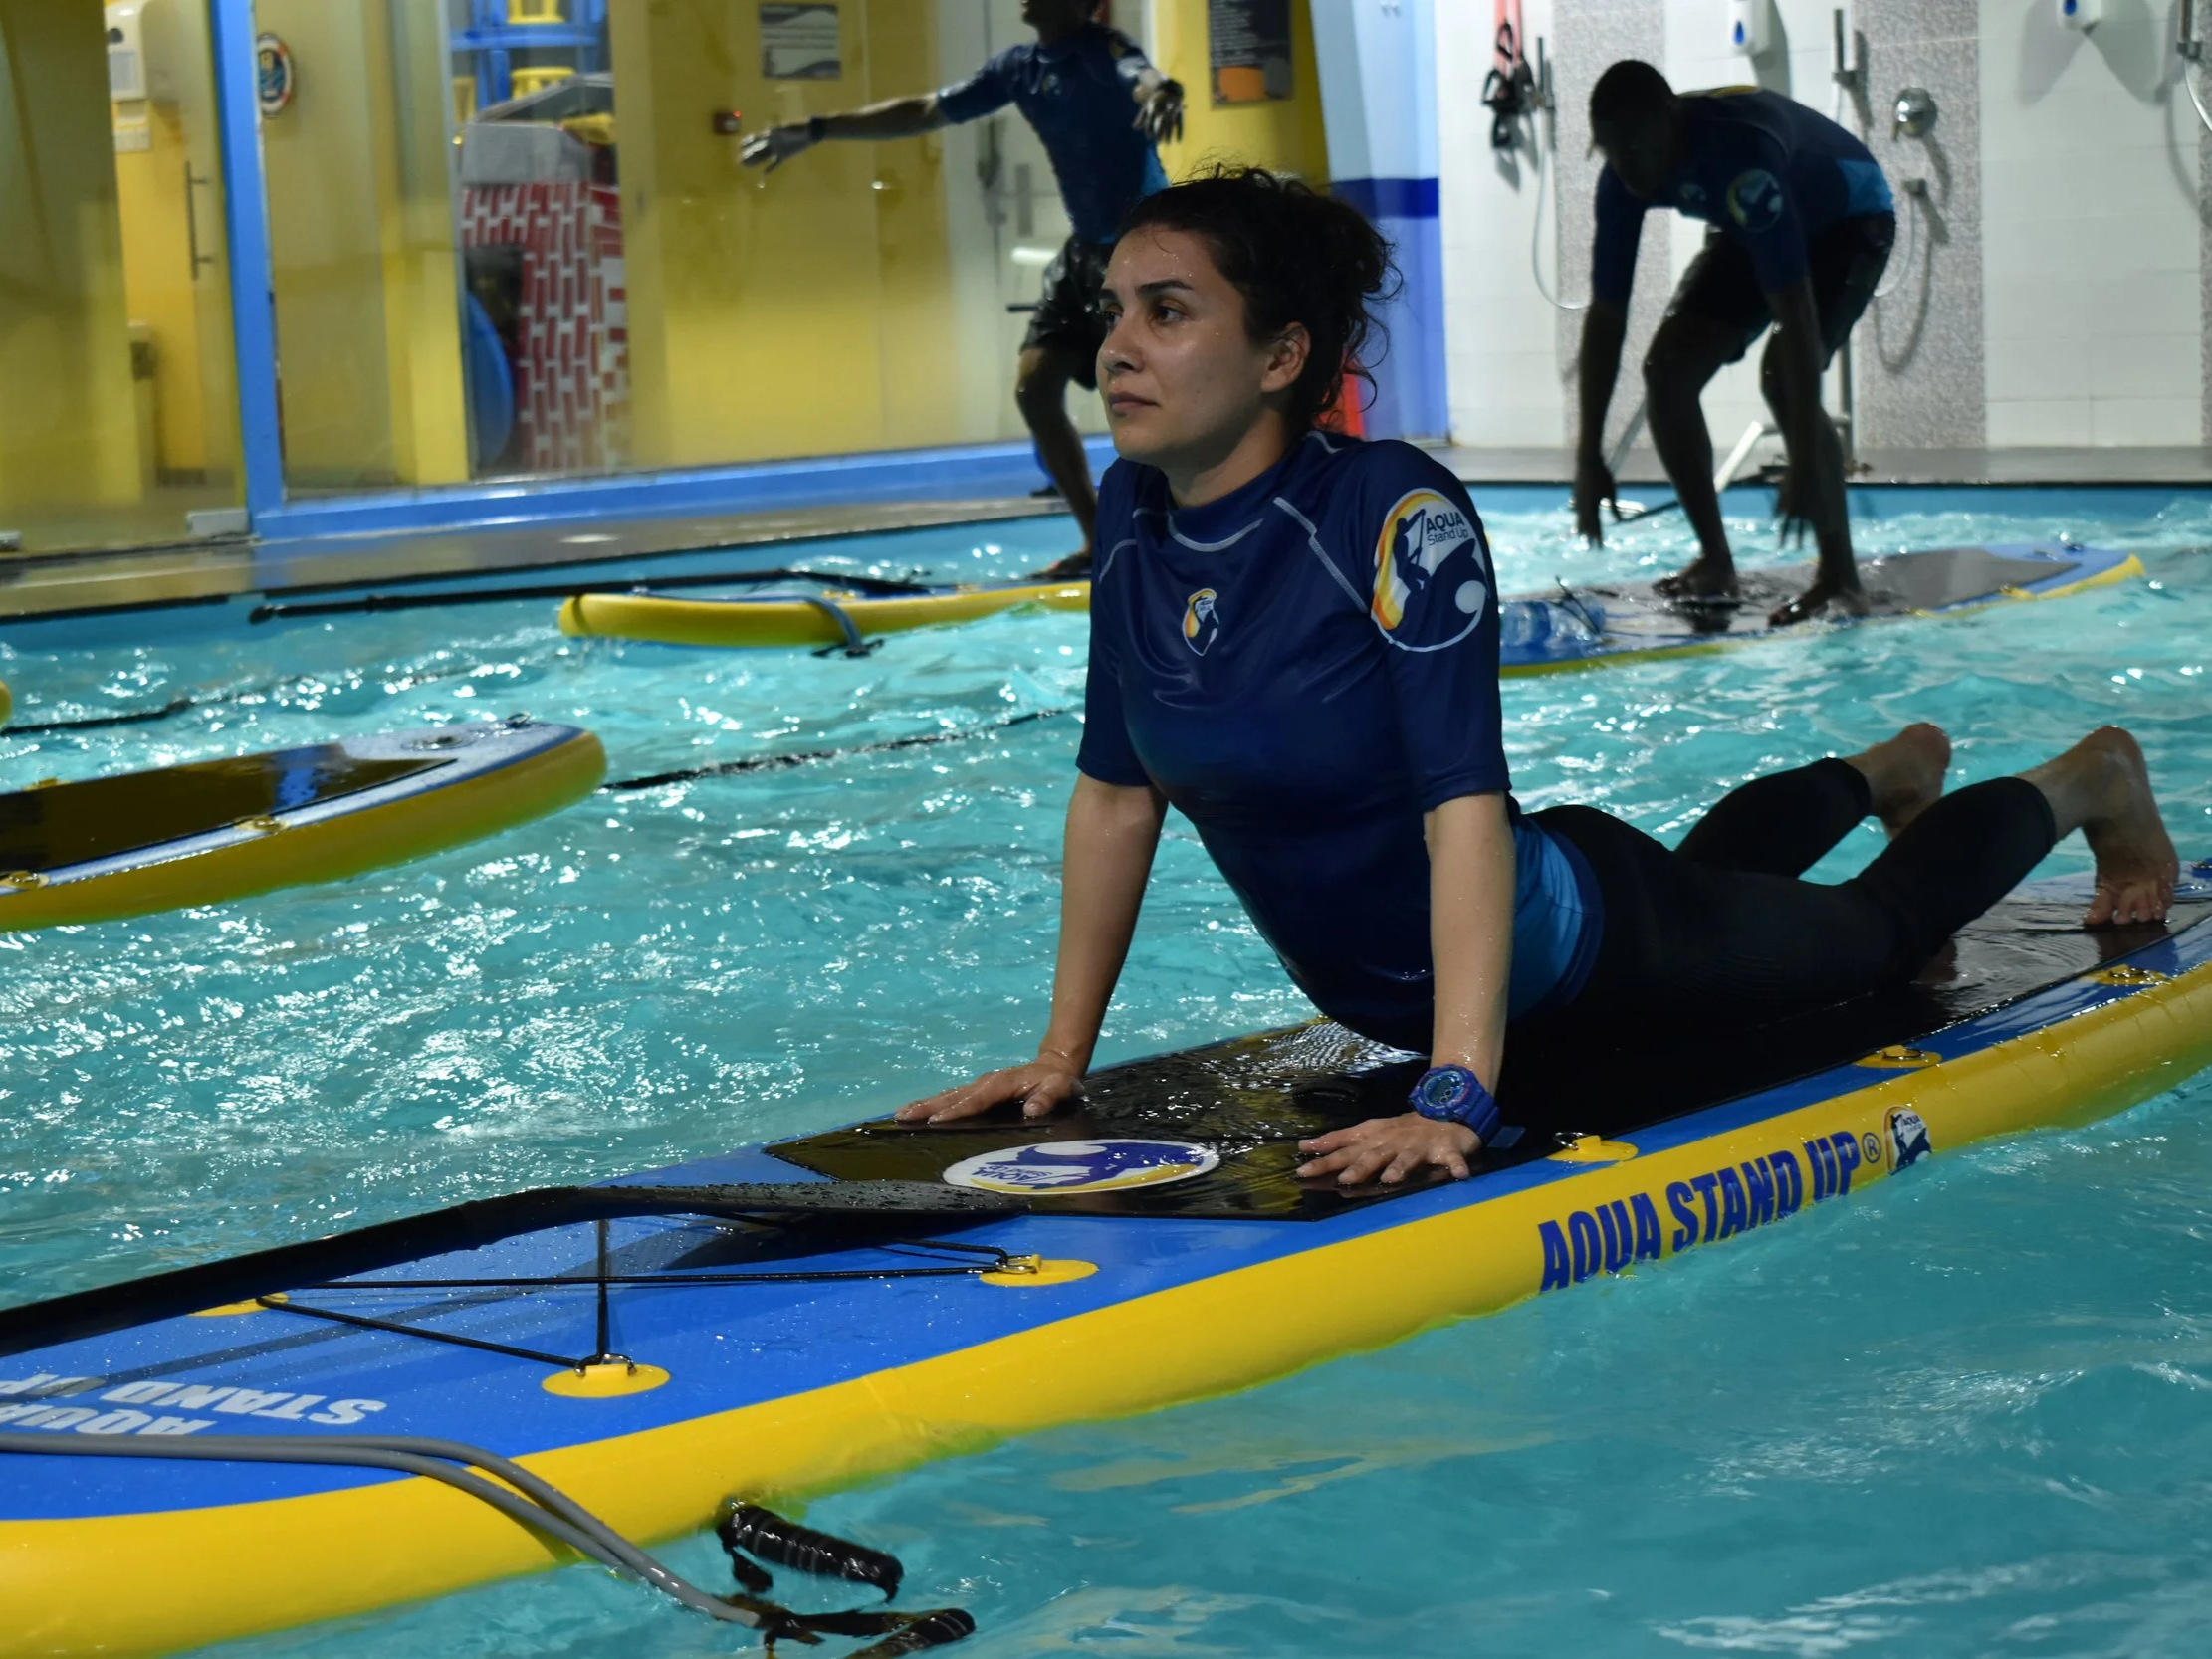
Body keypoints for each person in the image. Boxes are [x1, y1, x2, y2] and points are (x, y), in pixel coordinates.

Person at [896, 166, 2179, 1188]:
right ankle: (1878, 770)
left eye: (1165, 312)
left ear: (1282, 356)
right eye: (1113, 310)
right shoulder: (1131, 512)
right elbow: (1117, 792)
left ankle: (2082, 780)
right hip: (1506, 945)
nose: (1115, 347)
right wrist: (1061, 1057)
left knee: (1881, 941)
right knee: (1716, 881)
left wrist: (1455, 1083)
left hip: (1577, 949)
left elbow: (1459, 801)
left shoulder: (1388, 514)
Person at [742, 0, 1183, 576]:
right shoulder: (1017, 67)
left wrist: (1163, 92)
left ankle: (1165, 534)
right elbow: (926, 109)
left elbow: (1142, 76)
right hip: (1083, 252)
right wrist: (818, 130)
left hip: (1139, 244)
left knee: (1142, 395)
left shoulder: (1102, 50)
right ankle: (1099, 539)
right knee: (1034, 388)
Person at [1570, 62, 1896, 627]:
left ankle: (1839, 574)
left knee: (1781, 375)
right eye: (1611, 150)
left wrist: (1799, 454)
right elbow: (1606, 318)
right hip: (1755, 225)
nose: (1627, 165)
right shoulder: (1621, 178)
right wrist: (1588, 455)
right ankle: (1716, 560)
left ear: (1672, 122)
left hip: (1849, 220)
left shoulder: (1740, 154)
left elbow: (1795, 312)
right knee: (1668, 372)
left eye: (1637, 148)